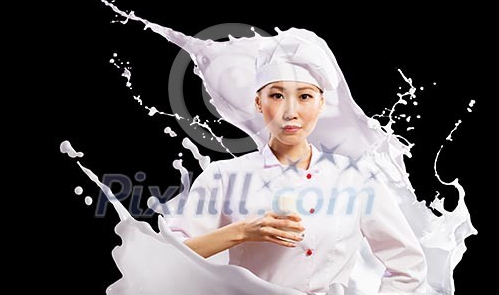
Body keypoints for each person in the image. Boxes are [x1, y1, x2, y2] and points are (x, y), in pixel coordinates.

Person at [166, 29, 427, 294]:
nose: (291, 113)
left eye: (304, 97)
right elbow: (173, 256)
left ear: (321, 103)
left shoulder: (356, 178)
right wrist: (243, 230)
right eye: (277, 96)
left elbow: (408, 265)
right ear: (258, 102)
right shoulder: (224, 176)